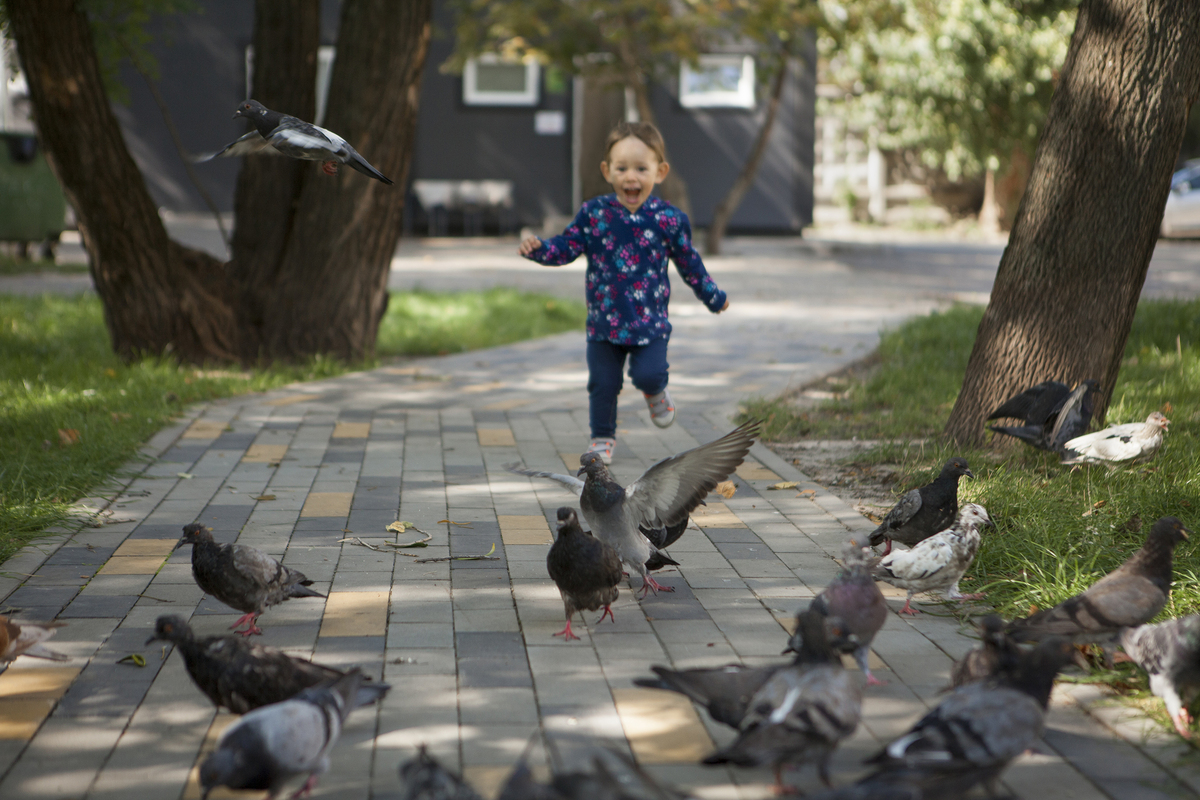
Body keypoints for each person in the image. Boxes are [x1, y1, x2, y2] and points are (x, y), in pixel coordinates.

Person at [518, 120, 730, 464]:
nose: (631, 177)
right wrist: (539, 249)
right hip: (603, 326)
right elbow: (567, 246)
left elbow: (690, 264)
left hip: (649, 324)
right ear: (607, 171)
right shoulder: (594, 215)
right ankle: (602, 438)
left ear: (660, 172)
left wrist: (713, 296)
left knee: (647, 373)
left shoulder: (669, 220)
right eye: (621, 168)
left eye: (641, 169)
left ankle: (655, 391)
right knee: (602, 385)